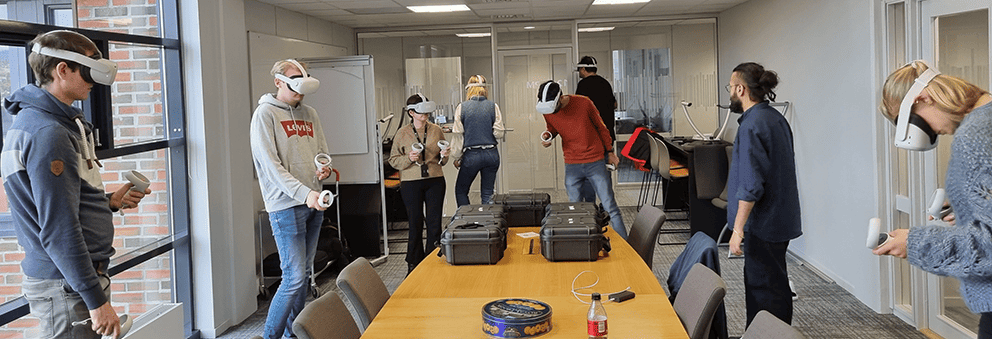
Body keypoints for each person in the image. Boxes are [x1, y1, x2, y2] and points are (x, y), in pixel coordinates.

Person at [1, 30, 150, 338]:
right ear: (63, 70)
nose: (94, 81)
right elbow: (58, 228)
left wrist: (108, 202)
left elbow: (52, 201)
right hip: (64, 285)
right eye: (88, 70)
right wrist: (96, 301)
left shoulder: (48, 123)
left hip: (69, 282)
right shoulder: (48, 133)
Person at [873, 60, 992, 339]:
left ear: (923, 97)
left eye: (911, 120)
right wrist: (966, 207)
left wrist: (912, 243)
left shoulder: (973, 137)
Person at [250, 59, 331, 339]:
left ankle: (290, 335)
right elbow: (271, 168)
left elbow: (322, 152)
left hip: (314, 202)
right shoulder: (265, 115)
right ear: (278, 81)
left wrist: (324, 168)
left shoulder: (310, 113)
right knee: (293, 277)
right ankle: (270, 336)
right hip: (286, 207)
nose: (301, 86)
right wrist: (304, 193)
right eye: (295, 79)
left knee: (303, 277)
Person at [725, 62, 802, 326]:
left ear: (741, 89)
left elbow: (750, 184)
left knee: (763, 291)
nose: (731, 94)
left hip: (763, 222)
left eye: (731, 88)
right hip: (780, 218)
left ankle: (767, 333)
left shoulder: (751, 125)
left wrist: (737, 230)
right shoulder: (774, 118)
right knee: (776, 285)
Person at [536, 81, 628, 239]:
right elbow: (552, 127)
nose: (551, 111)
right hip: (572, 164)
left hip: (595, 161)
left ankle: (628, 249)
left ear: (560, 98)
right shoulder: (547, 109)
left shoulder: (584, 103)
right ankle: (583, 244)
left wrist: (610, 152)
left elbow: (601, 127)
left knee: (609, 206)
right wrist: (548, 135)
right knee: (575, 209)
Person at [388, 94, 450, 274]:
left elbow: (442, 160)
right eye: (421, 112)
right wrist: (408, 158)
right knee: (415, 223)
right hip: (411, 182)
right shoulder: (402, 133)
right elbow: (393, 159)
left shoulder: (436, 130)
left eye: (426, 112)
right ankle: (413, 263)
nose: (425, 115)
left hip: (435, 180)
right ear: (411, 113)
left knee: (434, 223)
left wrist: (444, 156)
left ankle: (433, 262)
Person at [450, 75, 505, 206]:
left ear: (468, 89)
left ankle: (466, 221)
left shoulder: (462, 107)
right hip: (491, 154)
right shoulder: (493, 106)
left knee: (461, 191)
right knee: (487, 192)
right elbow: (499, 133)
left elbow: (458, 135)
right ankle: (489, 224)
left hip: (472, 155)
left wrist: (457, 157)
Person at [574, 56, 619, 203]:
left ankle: (590, 206)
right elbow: (615, 105)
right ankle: (606, 205)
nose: (579, 72)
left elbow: (579, 111)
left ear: (583, 69)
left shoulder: (583, 85)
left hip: (590, 139)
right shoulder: (605, 84)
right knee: (605, 172)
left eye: (579, 69)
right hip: (607, 137)